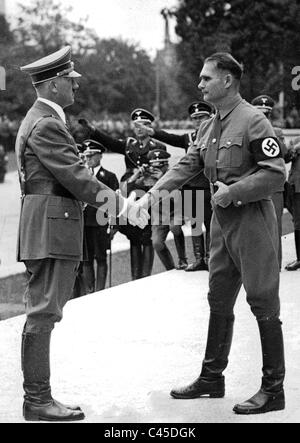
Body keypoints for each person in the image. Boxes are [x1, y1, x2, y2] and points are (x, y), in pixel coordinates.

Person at [137, 52, 286, 415]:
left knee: (262, 300)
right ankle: (211, 377)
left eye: (206, 78)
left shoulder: (253, 121)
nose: (199, 84)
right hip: (221, 226)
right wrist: (154, 194)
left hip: (252, 221)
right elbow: (188, 164)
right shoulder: (208, 126)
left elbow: (275, 172)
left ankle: (273, 388)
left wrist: (233, 191)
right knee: (218, 299)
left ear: (227, 81)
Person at [15, 46, 148, 422]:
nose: (75, 85)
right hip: (51, 226)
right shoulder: (47, 124)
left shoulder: (38, 119)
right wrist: (124, 207)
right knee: (43, 313)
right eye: (70, 80)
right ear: (54, 84)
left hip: (47, 223)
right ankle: (37, 400)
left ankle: (38, 397)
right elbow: (77, 177)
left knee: (44, 311)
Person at [78, 109, 174, 278]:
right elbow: (110, 142)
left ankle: (146, 275)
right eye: (136, 125)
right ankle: (135, 276)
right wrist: (93, 131)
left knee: (148, 236)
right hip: (132, 191)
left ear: (150, 126)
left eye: (143, 124)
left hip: (149, 193)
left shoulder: (159, 147)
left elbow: (165, 173)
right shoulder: (129, 145)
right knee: (134, 235)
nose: (139, 129)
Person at [135, 101, 215, 271]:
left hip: (208, 186)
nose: (198, 121)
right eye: (195, 118)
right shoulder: (191, 138)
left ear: (211, 117)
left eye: (202, 117)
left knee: (210, 224)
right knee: (195, 224)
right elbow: (172, 139)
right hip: (191, 187)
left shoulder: (215, 135)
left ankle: (210, 258)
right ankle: (200, 258)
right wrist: (153, 132)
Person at [251, 95, 288, 270]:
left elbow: (285, 156)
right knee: (253, 226)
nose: (263, 117)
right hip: (252, 185)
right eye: (260, 113)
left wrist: (274, 137)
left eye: (266, 114)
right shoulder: (247, 130)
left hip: (273, 186)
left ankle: (274, 265)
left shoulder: (276, 132)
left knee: (275, 226)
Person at [82, 139, 119, 292]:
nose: (88, 159)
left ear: (100, 156)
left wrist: (114, 225)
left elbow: (116, 203)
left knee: (101, 258)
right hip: (84, 223)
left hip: (101, 223)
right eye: (86, 156)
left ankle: (100, 291)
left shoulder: (109, 176)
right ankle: (90, 292)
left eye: (91, 155)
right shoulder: (81, 176)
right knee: (86, 259)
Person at [144, 148, 187, 271]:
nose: (156, 169)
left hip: (175, 212)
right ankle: (170, 268)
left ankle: (182, 259)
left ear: (166, 165)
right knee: (157, 243)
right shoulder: (149, 177)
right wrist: (138, 174)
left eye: (160, 166)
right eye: (153, 166)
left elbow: (177, 197)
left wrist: (162, 179)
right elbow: (131, 187)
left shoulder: (173, 175)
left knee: (175, 227)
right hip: (159, 215)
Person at [284, 136, 300, 271]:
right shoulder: (295, 141)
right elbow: (285, 158)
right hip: (296, 188)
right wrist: (293, 149)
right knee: (298, 223)